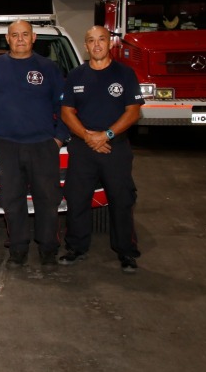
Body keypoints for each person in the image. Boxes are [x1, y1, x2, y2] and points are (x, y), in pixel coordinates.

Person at [0, 19, 69, 267]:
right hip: (6, 146)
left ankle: (48, 250)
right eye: (14, 35)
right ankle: (18, 250)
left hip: (43, 146)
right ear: (7, 39)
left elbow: (66, 106)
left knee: (47, 202)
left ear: (33, 38)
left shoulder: (48, 68)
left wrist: (58, 138)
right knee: (12, 201)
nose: (19, 39)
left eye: (24, 34)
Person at [59, 25, 144, 274]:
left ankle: (125, 251)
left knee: (121, 199)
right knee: (77, 199)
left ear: (109, 44)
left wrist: (106, 134)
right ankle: (76, 247)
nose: (96, 45)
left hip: (114, 147)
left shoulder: (125, 75)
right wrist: (87, 136)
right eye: (91, 41)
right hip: (83, 147)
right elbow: (66, 112)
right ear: (85, 46)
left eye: (101, 40)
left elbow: (134, 111)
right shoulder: (75, 76)